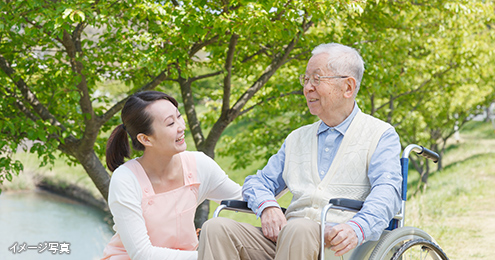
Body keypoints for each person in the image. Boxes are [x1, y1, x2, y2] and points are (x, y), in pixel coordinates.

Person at [198, 43, 402, 260]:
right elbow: (257, 182)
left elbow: (387, 193)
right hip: (287, 240)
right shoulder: (297, 138)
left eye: (316, 79)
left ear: (348, 87)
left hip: (340, 247)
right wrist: (268, 207)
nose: (307, 88)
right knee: (215, 228)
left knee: (299, 229)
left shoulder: (381, 135)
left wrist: (357, 228)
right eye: (305, 80)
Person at [101, 91, 242, 260]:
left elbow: (243, 198)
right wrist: (208, 257)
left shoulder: (199, 165)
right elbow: (142, 254)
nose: (181, 127)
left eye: (179, 116)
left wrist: (279, 174)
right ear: (145, 139)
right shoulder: (126, 179)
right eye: (170, 124)